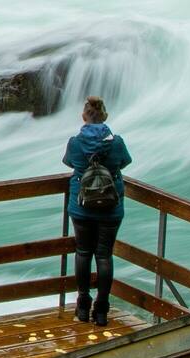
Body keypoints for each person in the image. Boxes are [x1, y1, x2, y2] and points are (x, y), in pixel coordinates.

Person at [63, 96, 133, 326]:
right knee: (104, 255)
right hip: (111, 207)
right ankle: (101, 311)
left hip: (81, 206)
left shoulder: (75, 142)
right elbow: (125, 162)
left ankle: (82, 306)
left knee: (83, 252)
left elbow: (69, 163)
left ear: (84, 116)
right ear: (105, 116)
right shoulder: (117, 142)